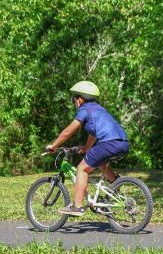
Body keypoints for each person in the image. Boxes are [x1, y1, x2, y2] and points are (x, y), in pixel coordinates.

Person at [46, 81, 129, 217]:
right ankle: (115, 182)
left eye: (74, 99)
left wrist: (54, 145)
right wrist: (85, 148)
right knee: (98, 159)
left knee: (82, 168)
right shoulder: (99, 109)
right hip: (123, 143)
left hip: (108, 143)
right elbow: (93, 133)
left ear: (80, 99)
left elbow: (69, 130)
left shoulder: (84, 109)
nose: (74, 103)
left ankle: (77, 207)